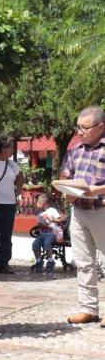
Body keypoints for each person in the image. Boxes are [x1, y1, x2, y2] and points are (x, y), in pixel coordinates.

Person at [59, 105, 105, 326]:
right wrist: (66, 190)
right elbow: (66, 174)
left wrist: (93, 190)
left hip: (102, 210)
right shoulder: (75, 150)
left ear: (100, 127)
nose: (80, 132)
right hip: (78, 212)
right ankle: (88, 309)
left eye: (85, 128)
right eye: (78, 127)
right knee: (84, 262)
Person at [0, 136, 24, 274]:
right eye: (10, 147)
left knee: (6, 234)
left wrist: (18, 191)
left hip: (9, 203)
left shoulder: (11, 164)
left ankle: (4, 262)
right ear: (2, 148)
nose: (12, 150)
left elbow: (20, 176)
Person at [32, 193, 65, 274]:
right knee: (35, 245)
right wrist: (40, 225)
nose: (36, 204)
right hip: (42, 232)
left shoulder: (52, 210)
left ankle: (50, 261)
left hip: (52, 232)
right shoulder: (40, 212)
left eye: (38, 202)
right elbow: (39, 223)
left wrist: (51, 220)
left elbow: (60, 220)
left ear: (44, 203)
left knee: (47, 243)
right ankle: (39, 261)